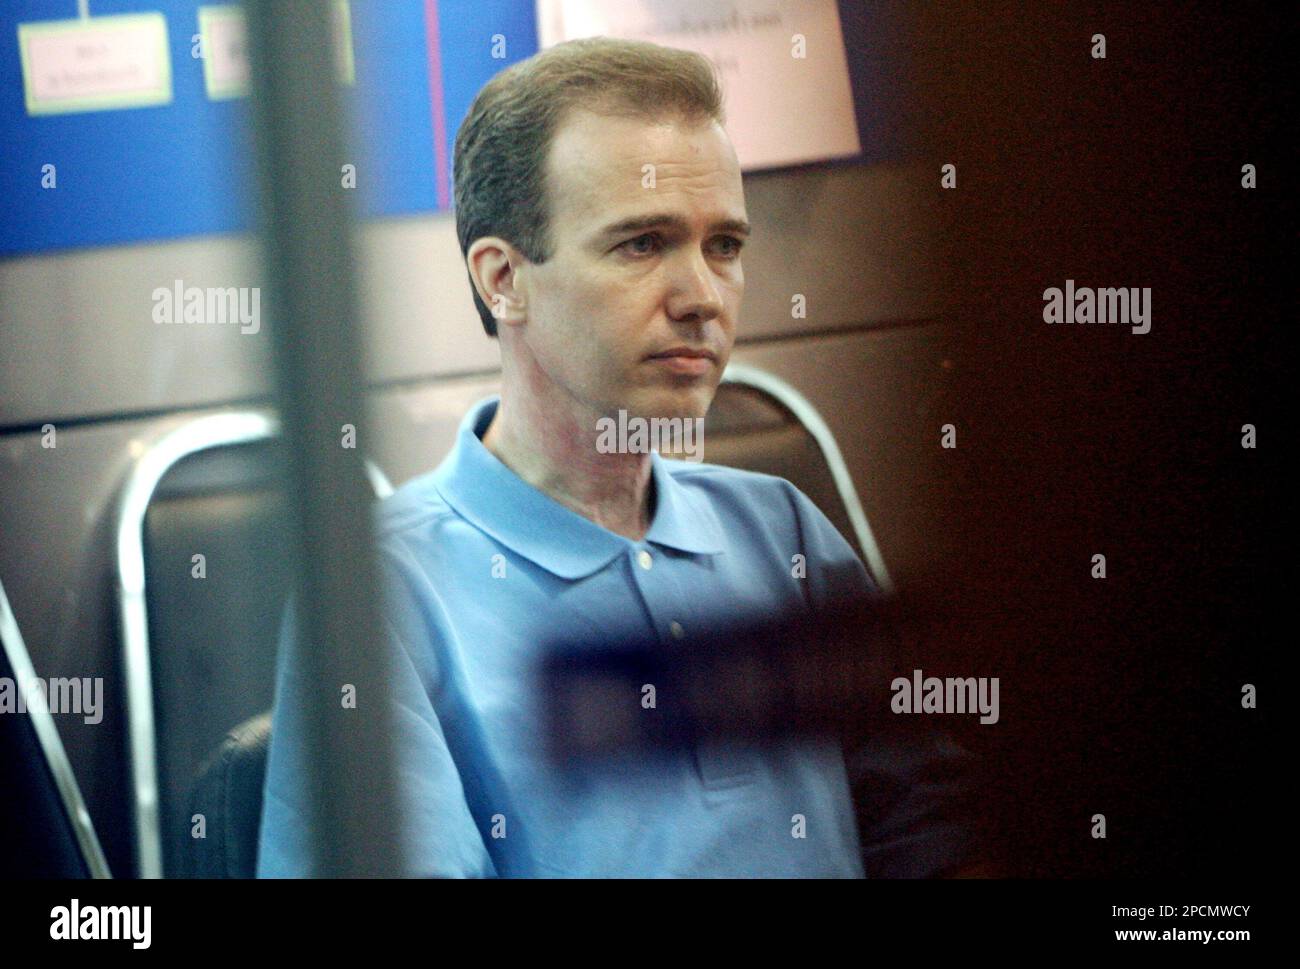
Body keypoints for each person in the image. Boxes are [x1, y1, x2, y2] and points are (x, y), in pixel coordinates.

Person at [257, 36, 981, 877]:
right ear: (502, 279)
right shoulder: (377, 592)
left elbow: (935, 833)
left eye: (725, 246)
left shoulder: (781, 527)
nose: (702, 298)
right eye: (642, 243)